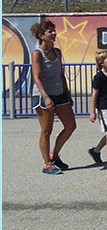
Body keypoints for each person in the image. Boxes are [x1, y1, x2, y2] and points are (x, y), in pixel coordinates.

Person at [30, 20, 77, 175]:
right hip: (43, 95)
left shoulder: (57, 52)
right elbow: (36, 77)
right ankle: (47, 164)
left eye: (54, 30)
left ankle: (54, 155)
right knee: (46, 130)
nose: (54, 33)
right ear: (41, 35)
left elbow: (61, 75)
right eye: (49, 31)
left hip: (60, 93)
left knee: (70, 126)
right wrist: (45, 97)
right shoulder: (37, 53)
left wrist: (67, 94)